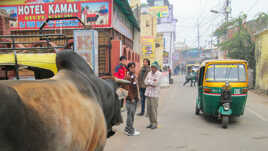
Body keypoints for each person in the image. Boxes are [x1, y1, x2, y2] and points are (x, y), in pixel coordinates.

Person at [124, 62, 140, 136]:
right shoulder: (128, 76)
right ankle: (130, 131)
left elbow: (136, 87)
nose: (133, 69)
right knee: (130, 115)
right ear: (129, 68)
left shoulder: (133, 75)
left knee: (131, 114)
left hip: (134, 98)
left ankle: (127, 128)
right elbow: (128, 89)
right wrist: (132, 98)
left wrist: (138, 96)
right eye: (131, 67)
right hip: (130, 99)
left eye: (134, 67)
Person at [144, 61, 162, 130]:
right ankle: (150, 122)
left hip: (155, 94)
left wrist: (149, 82)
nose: (153, 68)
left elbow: (155, 84)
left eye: (154, 67)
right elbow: (145, 81)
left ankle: (155, 123)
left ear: (156, 68)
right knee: (149, 109)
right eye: (152, 67)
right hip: (148, 93)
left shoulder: (159, 74)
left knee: (154, 109)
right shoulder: (149, 73)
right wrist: (150, 82)